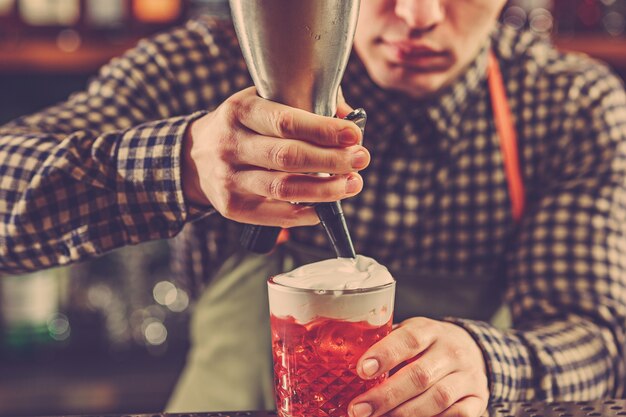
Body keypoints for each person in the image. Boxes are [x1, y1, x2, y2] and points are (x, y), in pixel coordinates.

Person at [1, 0, 626, 416]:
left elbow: (599, 341)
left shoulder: (566, 106)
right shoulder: (214, 63)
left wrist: (489, 364)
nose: (417, 15)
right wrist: (187, 162)